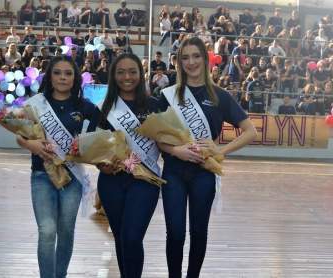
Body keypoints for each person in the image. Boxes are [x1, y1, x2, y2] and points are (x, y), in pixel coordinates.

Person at [157, 36, 257, 278]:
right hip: (173, 171)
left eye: (196, 56)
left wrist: (220, 151)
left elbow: (250, 131)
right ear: (179, 62)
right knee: (176, 232)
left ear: (205, 58)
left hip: (203, 172)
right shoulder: (168, 95)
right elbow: (158, 138)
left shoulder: (220, 96)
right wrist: (176, 151)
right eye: (185, 57)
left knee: (199, 232)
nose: (191, 62)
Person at [16, 56, 98, 278]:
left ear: (75, 78)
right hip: (42, 175)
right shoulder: (36, 104)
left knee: (65, 231)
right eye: (58, 72)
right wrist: (30, 144)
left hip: (72, 177)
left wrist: (86, 145)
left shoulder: (84, 107)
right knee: (47, 230)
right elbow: (20, 136)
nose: (63, 77)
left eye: (68, 73)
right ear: (50, 76)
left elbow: (101, 133)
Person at [97, 53, 162, 278]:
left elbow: (167, 141)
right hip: (111, 181)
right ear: (114, 75)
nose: (127, 77)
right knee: (121, 237)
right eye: (121, 72)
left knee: (133, 237)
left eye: (132, 71)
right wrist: (101, 165)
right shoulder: (105, 108)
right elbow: (96, 147)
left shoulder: (154, 105)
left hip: (145, 180)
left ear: (140, 75)